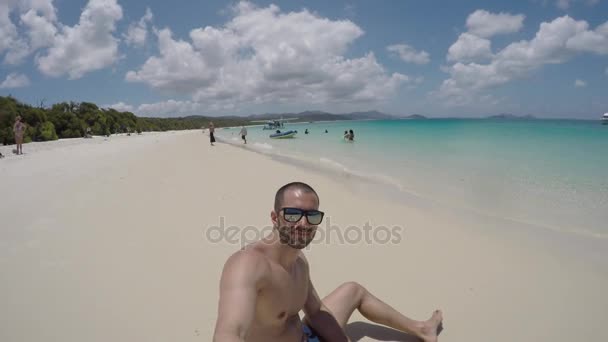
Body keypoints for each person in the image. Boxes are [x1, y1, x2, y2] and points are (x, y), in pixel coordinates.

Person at [213, 182, 443, 342]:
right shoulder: (247, 265)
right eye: (293, 214)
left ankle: (421, 329)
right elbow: (231, 332)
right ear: (275, 217)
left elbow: (315, 309)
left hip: (305, 336)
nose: (303, 224)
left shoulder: (299, 260)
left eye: (312, 216)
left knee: (353, 290)